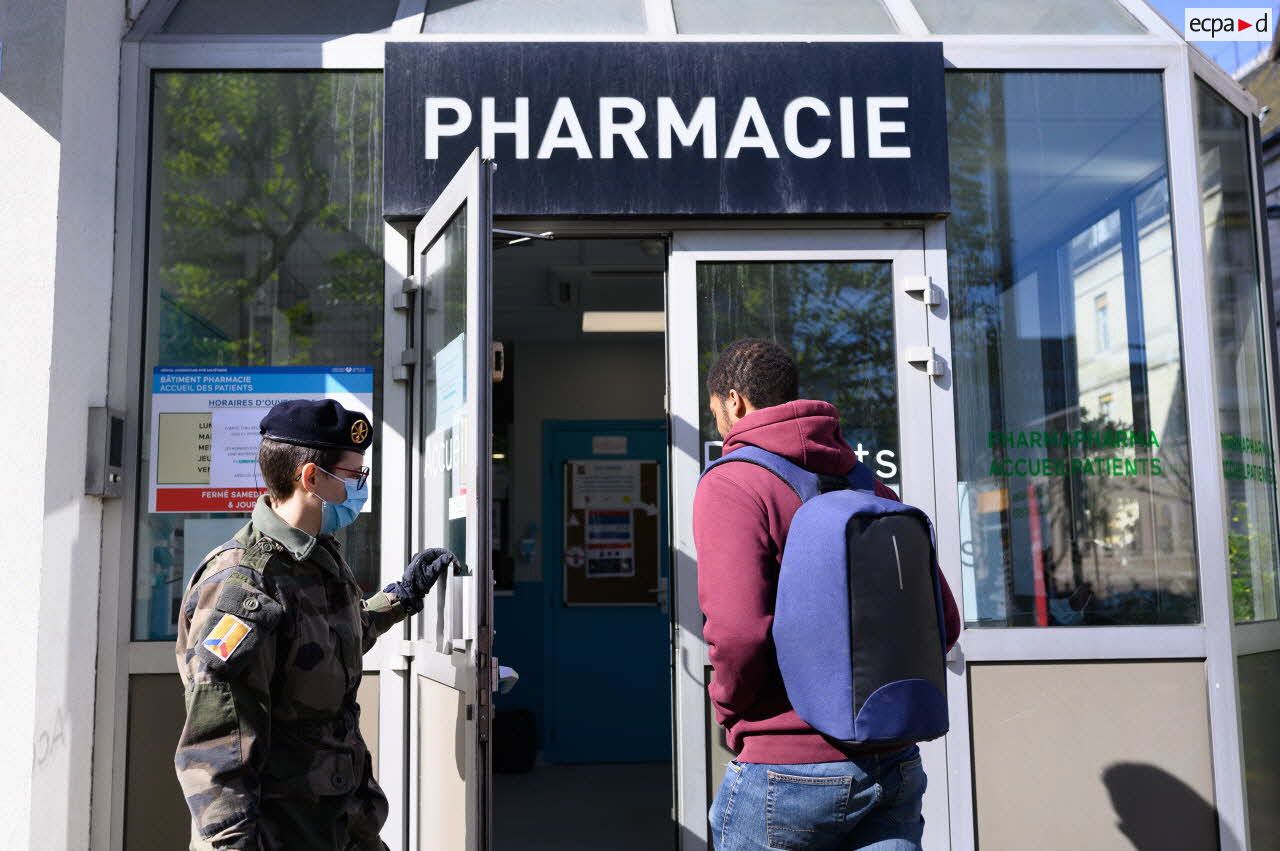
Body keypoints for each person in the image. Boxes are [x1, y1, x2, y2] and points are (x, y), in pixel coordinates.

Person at [694, 339, 962, 850]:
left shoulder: (734, 484)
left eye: (716, 412)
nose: (720, 424)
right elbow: (943, 621)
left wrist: (727, 706)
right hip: (893, 763)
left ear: (734, 401)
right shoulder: (867, 486)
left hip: (787, 769)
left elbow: (736, 633)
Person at [174, 399, 454, 850]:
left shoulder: (317, 554)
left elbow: (325, 649)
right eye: (354, 476)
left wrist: (400, 597)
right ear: (310, 478)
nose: (360, 490)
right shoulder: (244, 586)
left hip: (340, 819)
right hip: (280, 831)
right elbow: (217, 747)